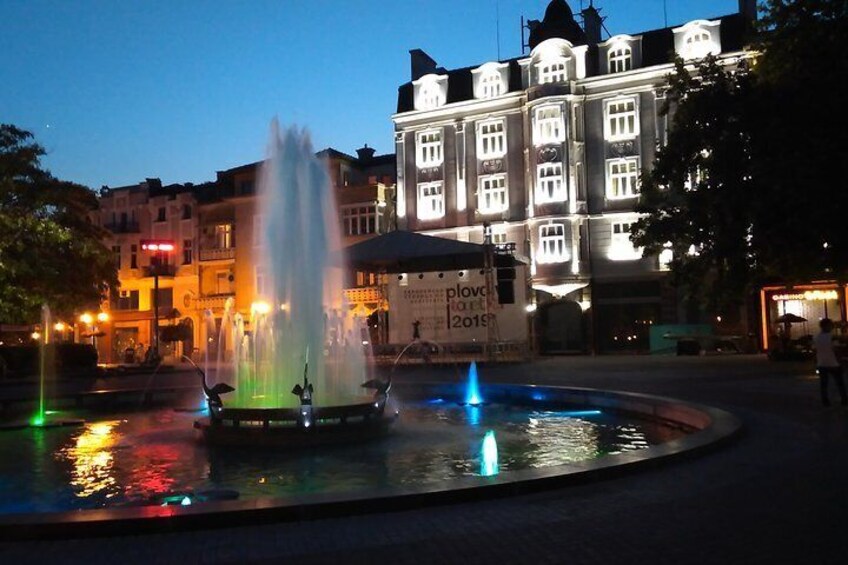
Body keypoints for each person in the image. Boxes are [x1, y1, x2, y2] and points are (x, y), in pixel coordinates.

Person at [813, 319, 847, 407]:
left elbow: (815, 350)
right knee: (840, 383)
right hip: (833, 363)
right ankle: (844, 399)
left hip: (821, 363)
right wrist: (841, 360)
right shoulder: (832, 337)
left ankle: (825, 401)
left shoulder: (816, 337)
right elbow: (837, 349)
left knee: (824, 384)